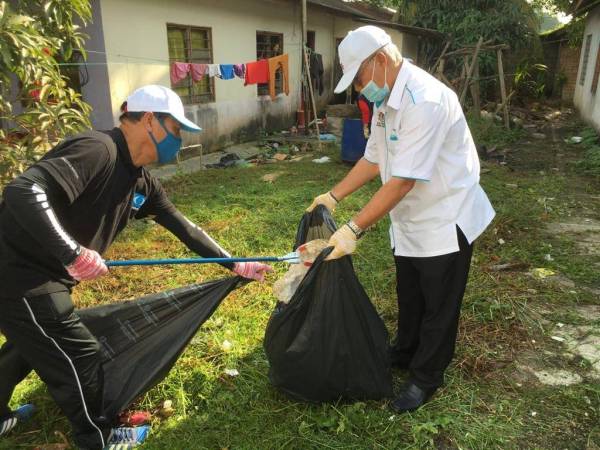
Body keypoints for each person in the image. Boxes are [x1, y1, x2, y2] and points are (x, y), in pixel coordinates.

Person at [0, 85, 272, 449]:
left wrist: (235, 263)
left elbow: (184, 226)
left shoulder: (140, 181)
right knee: (78, 352)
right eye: (175, 131)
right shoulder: (100, 150)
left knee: (29, 341)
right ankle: (97, 436)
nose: (177, 141)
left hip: (44, 271)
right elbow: (24, 191)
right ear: (149, 120)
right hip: (19, 270)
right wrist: (72, 252)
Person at [307, 26, 495, 413]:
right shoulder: (385, 99)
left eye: (359, 78)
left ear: (380, 59)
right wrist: (333, 195)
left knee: (439, 304)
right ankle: (406, 351)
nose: (360, 89)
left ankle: (427, 377)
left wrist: (354, 228)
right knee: (410, 294)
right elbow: (374, 158)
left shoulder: (425, 99)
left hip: (446, 216)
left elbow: (404, 180)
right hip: (411, 220)